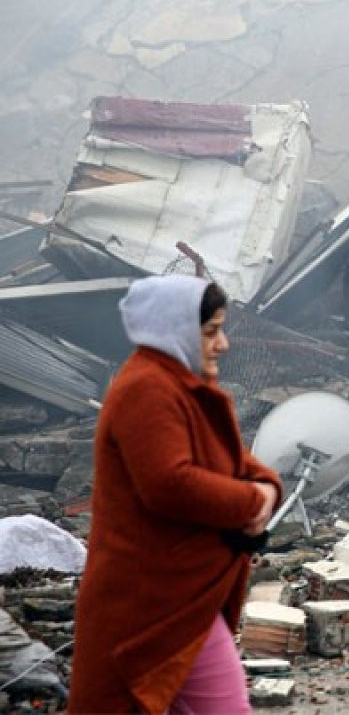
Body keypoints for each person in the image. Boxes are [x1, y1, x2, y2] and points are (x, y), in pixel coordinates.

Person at [69, 275, 282, 714]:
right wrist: (251, 502)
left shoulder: (175, 385)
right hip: (156, 604)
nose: (222, 344)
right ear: (174, 330)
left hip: (180, 596)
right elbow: (170, 483)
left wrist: (266, 486)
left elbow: (231, 459)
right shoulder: (147, 390)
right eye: (209, 331)